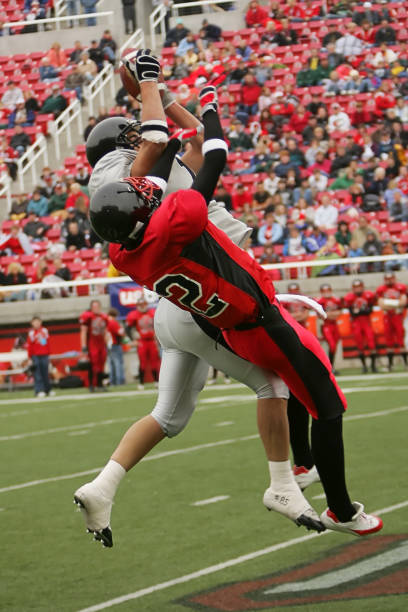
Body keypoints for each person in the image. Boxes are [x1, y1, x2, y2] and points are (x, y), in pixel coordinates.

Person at [77, 52, 382, 545]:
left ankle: (103, 484)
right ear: (121, 149)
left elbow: (180, 140)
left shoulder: (118, 214)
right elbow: (186, 141)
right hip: (209, 300)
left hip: (175, 303)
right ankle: (287, 482)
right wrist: (152, 86)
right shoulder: (136, 176)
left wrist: (164, 98)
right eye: (131, 133)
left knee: (167, 415)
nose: (142, 133)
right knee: (277, 382)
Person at [126, 296, 160, 389]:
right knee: (142, 362)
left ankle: (156, 381)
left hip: (152, 341)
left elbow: (159, 325)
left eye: (144, 304)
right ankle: (141, 383)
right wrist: (132, 339)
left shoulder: (152, 313)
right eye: (140, 305)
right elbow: (127, 328)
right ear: (137, 305)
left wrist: (158, 338)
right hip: (142, 341)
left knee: (154, 362)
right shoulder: (134, 315)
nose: (142, 306)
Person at [343, 280, 377, 374]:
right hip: (356, 323)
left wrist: (360, 311)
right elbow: (353, 313)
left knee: (371, 343)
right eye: (355, 287)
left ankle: (373, 366)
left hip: (366, 322)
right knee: (359, 344)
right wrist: (361, 311)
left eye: (359, 287)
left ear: (362, 287)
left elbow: (370, 310)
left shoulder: (368, 295)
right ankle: (364, 366)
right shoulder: (350, 297)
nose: (357, 289)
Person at [376, 272, 407, 371]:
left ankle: (405, 364)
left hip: (398, 316)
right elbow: (381, 305)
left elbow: (403, 302)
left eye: (391, 278)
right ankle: (390, 365)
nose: (389, 280)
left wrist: (388, 304)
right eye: (387, 279)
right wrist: (396, 304)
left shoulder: (401, 287)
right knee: (389, 340)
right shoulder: (381, 289)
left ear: (394, 278)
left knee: (401, 339)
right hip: (387, 317)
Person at [79, 300, 109, 391]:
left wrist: (107, 342)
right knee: (92, 365)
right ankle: (91, 385)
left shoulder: (103, 317)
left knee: (101, 364)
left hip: (101, 344)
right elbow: (83, 331)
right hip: (92, 344)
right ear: (91, 308)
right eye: (94, 307)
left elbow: (105, 331)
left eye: (97, 306)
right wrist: (83, 346)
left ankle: (100, 385)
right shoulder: (88, 317)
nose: (96, 308)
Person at [317, 283, 342, 370]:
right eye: (324, 291)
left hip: (335, 325)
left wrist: (329, 314)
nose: (327, 293)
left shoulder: (335, 299)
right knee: (331, 345)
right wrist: (330, 315)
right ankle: (330, 367)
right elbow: (322, 316)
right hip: (326, 325)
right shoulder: (320, 301)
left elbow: (339, 313)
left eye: (328, 290)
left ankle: (332, 366)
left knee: (334, 346)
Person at [27, 316, 52, 398]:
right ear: (32, 323)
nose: (37, 323)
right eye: (35, 322)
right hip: (35, 356)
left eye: (38, 321)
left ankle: (47, 389)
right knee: (37, 374)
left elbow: (47, 343)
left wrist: (49, 354)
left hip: (44, 354)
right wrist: (30, 358)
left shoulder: (44, 331)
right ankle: (39, 390)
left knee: (45, 373)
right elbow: (29, 346)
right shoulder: (31, 333)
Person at [107, 308, 125, 386]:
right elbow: (120, 333)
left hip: (109, 345)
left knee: (111, 364)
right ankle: (119, 381)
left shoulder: (106, 322)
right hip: (115, 345)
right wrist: (123, 330)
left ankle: (112, 381)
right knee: (118, 364)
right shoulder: (113, 322)